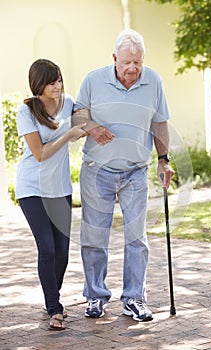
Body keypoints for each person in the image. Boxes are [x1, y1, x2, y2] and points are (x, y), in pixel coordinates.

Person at [73, 29, 175, 322]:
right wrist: (92, 127)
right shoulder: (93, 80)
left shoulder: (153, 81)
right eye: (127, 62)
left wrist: (164, 160)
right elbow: (78, 115)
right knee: (94, 236)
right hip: (97, 171)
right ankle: (95, 296)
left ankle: (134, 298)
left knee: (137, 238)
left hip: (135, 172)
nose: (133, 69)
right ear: (114, 58)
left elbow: (160, 123)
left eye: (138, 63)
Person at [15, 59, 87, 330]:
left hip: (59, 189)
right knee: (47, 248)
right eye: (51, 81)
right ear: (38, 84)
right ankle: (54, 308)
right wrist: (69, 135)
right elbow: (40, 154)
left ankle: (51, 298)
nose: (57, 85)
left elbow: (86, 118)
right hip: (32, 188)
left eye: (58, 79)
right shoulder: (27, 111)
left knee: (63, 253)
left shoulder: (68, 102)